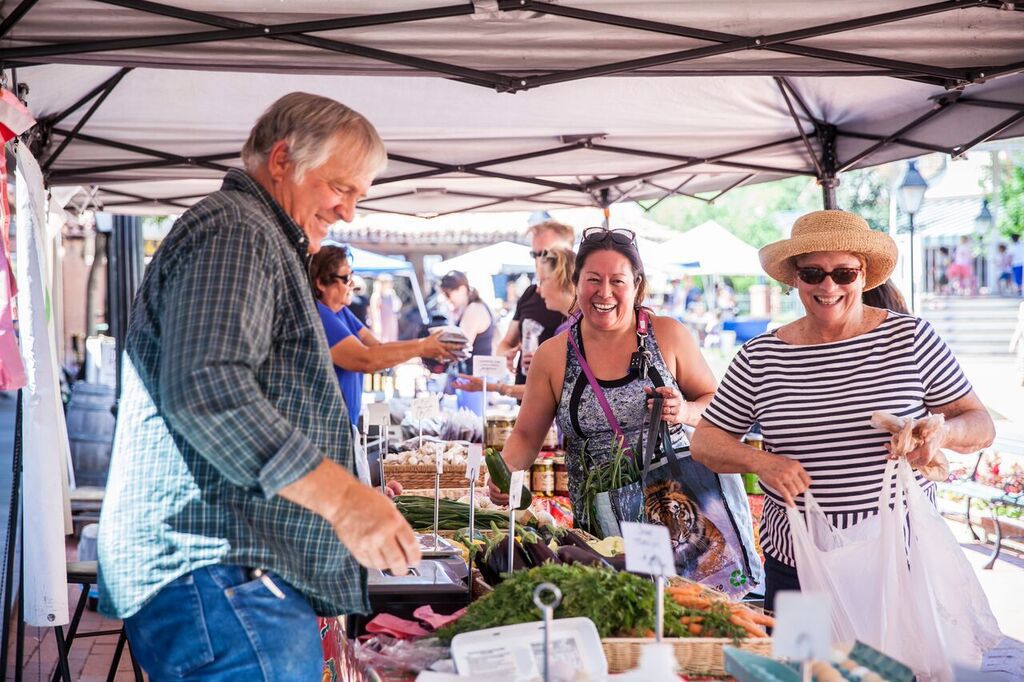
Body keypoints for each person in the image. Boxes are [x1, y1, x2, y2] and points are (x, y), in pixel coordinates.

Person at [97, 92, 422, 681]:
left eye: (358, 195)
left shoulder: (251, 232)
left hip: (224, 573)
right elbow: (208, 390)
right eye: (339, 188)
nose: (348, 212)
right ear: (282, 161)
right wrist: (347, 502)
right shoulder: (237, 231)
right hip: (223, 569)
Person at [690, 209, 995, 613]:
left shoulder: (912, 338)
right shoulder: (761, 356)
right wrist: (760, 462)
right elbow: (705, 442)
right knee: (802, 671)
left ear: (864, 275)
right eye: (813, 273)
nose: (828, 285)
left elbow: (981, 424)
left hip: (899, 558)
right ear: (795, 280)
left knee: (892, 674)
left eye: (844, 273)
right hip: (797, 563)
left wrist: (942, 432)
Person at [489, 228, 761, 590]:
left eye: (617, 280)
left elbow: (715, 400)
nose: (604, 293)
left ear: (636, 285)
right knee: (625, 621)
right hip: (603, 534)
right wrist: (506, 474)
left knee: (695, 618)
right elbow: (526, 434)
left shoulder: (668, 335)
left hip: (681, 514)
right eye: (593, 280)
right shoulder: (553, 356)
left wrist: (684, 411)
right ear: (577, 282)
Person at [309, 245, 462, 481]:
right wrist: (423, 346)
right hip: (325, 433)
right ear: (321, 283)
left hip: (344, 429)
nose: (353, 283)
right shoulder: (319, 314)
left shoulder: (341, 312)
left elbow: (377, 348)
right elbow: (365, 359)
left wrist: (427, 347)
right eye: (346, 277)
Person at [455, 246, 577, 401]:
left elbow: (550, 389)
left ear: (560, 278)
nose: (538, 290)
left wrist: (491, 387)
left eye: (541, 281)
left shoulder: (574, 330)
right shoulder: (568, 326)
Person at [496, 220, 574, 386]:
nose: (539, 260)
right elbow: (506, 343)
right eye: (534, 254)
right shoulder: (530, 293)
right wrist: (506, 356)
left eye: (546, 253)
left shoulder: (581, 309)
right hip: (526, 393)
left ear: (567, 252)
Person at [439, 270, 497, 415]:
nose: (447, 299)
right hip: (470, 376)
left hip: (474, 377)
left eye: (449, 294)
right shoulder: (468, 308)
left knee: (471, 424)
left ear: (462, 289)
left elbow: (461, 344)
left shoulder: (474, 309)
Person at [368, 272, 401, 342]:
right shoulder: (376, 295)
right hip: (381, 322)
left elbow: (397, 305)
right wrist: (376, 325)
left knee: (392, 339)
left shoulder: (391, 293)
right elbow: (374, 311)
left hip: (391, 321)